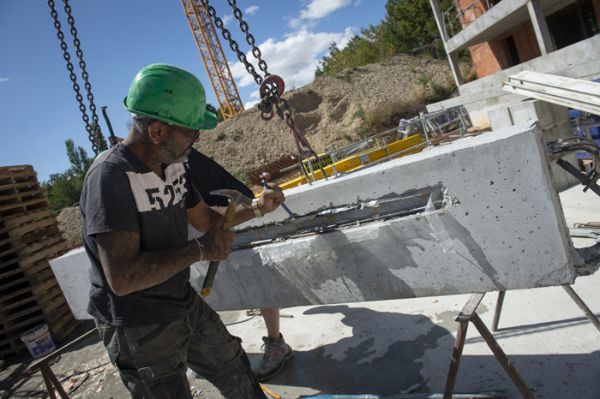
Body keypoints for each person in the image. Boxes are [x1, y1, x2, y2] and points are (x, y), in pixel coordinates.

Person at [80, 63, 285, 399]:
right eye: (191, 132)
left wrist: (259, 208)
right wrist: (201, 250)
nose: (195, 141)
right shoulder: (110, 178)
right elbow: (122, 277)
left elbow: (206, 221)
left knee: (234, 368)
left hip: (181, 302)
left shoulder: (173, 165)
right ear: (158, 131)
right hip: (138, 326)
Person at [186, 149, 293, 381]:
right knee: (203, 295)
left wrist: (254, 209)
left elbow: (215, 205)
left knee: (257, 281)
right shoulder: (160, 165)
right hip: (208, 227)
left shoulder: (181, 159)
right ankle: (209, 353)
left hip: (233, 216)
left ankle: (276, 344)